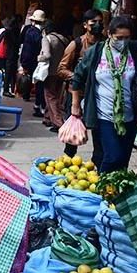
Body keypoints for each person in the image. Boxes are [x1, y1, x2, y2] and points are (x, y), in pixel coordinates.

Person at [71, 17, 137, 173]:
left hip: (130, 116)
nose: (123, 42)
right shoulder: (95, 53)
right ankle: (101, 191)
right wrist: (75, 105)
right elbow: (77, 78)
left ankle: (117, 193)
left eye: (127, 38)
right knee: (112, 156)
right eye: (119, 38)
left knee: (122, 159)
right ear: (109, 34)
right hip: (104, 116)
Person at [57, 9, 105, 160]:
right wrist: (78, 77)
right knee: (73, 136)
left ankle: (97, 164)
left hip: (99, 95)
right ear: (85, 25)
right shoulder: (76, 44)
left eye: (100, 22)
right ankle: (68, 163)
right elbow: (61, 69)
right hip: (77, 94)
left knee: (99, 133)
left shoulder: (106, 44)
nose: (98, 25)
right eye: (93, 23)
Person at [38, 21, 70, 132]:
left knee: (51, 97)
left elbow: (47, 55)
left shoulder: (47, 39)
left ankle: (59, 123)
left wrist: (39, 58)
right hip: (61, 72)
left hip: (50, 72)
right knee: (56, 95)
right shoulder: (63, 39)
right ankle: (47, 118)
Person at [20, 9, 47, 116]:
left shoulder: (30, 31)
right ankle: (38, 106)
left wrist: (23, 63)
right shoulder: (36, 34)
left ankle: (38, 105)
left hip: (31, 61)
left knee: (38, 84)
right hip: (35, 62)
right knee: (40, 84)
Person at [0, 16, 20, 97]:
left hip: (8, 54)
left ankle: (10, 89)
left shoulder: (6, 31)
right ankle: (8, 89)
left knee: (9, 72)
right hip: (11, 54)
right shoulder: (12, 31)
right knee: (10, 72)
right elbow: (16, 42)